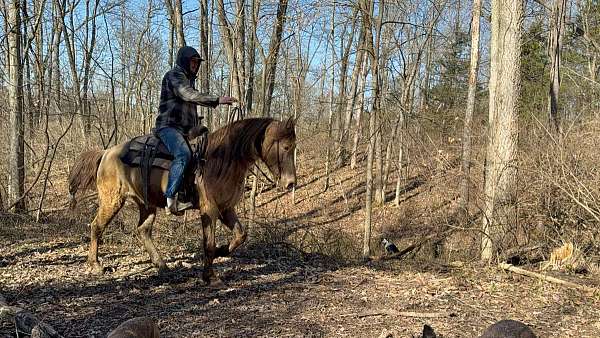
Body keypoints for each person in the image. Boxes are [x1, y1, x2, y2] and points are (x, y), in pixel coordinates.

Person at [154, 46, 237, 215]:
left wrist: (198, 127)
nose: (194, 65)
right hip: (168, 127)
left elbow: (189, 109)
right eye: (192, 61)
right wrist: (217, 100)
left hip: (185, 130)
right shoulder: (174, 76)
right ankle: (170, 198)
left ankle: (193, 194)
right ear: (184, 61)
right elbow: (189, 95)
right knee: (184, 154)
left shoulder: (189, 80)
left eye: (196, 63)